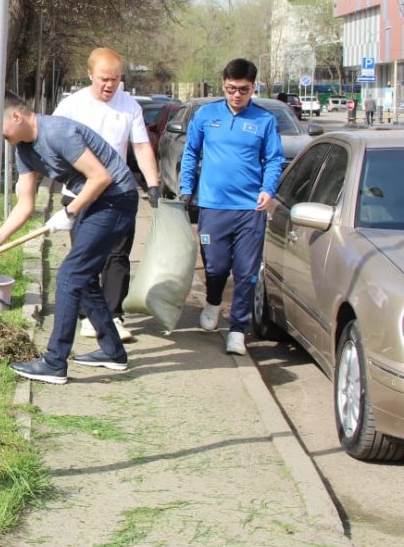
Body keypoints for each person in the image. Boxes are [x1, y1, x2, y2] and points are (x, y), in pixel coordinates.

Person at [0, 91, 139, 384]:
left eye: (0, 128)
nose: (0, 137)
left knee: (70, 276)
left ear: (16, 116)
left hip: (117, 199)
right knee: (81, 277)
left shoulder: (58, 131)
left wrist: (69, 212)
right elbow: (25, 203)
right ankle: (113, 352)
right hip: (94, 201)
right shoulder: (24, 150)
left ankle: (54, 362)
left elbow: (101, 177)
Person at [53, 48, 161, 343]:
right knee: (87, 256)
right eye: (103, 79)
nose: (109, 85)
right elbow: (54, 145)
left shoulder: (129, 107)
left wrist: (152, 184)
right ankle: (88, 316)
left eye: (115, 79)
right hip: (82, 193)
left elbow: (140, 146)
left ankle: (113, 314)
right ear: (90, 74)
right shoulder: (71, 106)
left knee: (117, 255)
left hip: (119, 193)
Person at [178, 59, 285, 356]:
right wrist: (186, 188)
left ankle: (238, 328)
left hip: (250, 209)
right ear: (223, 84)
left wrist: (268, 189)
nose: (236, 95)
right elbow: (191, 152)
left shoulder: (264, 120)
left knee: (246, 272)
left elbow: (274, 159)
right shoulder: (206, 115)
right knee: (215, 266)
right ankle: (213, 302)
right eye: (231, 89)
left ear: (253, 87)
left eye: (243, 90)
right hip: (213, 206)